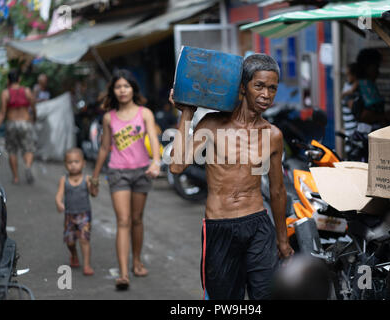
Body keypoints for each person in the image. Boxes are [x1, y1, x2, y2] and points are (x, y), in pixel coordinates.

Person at [169, 53, 294, 300]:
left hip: (258, 223)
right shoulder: (212, 124)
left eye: (272, 88)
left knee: (266, 295)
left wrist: (282, 240)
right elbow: (176, 166)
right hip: (220, 226)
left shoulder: (273, 135)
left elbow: (278, 191)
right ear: (242, 88)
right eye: (259, 86)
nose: (266, 95)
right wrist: (187, 113)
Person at [91, 69, 161, 290]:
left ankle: (137, 261)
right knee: (123, 220)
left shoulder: (145, 113)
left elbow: (153, 138)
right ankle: (123, 273)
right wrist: (94, 177)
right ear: (113, 90)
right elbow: (104, 148)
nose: (122, 90)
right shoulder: (108, 118)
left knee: (137, 219)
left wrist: (156, 161)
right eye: (118, 87)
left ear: (133, 89)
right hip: (117, 172)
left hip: (142, 171)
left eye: (126, 86)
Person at [55, 148, 96, 276]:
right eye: (70, 162)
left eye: (76, 162)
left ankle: (87, 265)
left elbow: (94, 194)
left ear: (83, 163)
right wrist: (59, 203)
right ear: (65, 164)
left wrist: (95, 185)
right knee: (70, 241)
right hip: (69, 215)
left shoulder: (87, 179)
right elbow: (59, 195)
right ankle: (73, 254)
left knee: (84, 239)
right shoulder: (64, 179)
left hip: (84, 215)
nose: (73, 165)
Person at [0, 69, 36, 184]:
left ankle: (16, 177)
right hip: (25, 122)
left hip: (11, 123)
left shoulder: (5, 93)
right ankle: (27, 166)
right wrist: (34, 118)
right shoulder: (27, 91)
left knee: (12, 150)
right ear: (19, 79)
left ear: (8, 80)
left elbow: (2, 113)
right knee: (29, 148)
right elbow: (33, 106)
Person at [341, 63, 360, 153]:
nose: (347, 76)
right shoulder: (348, 88)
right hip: (351, 129)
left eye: (349, 74)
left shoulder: (354, 88)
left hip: (355, 129)